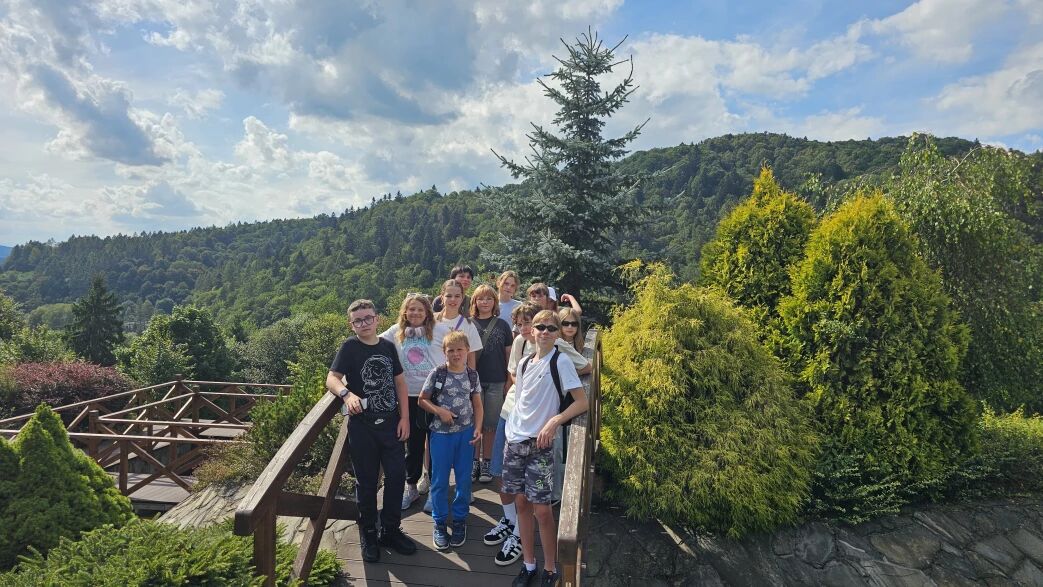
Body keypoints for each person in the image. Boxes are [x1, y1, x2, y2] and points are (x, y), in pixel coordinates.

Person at [485, 304, 589, 569]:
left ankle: (550, 568)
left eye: (551, 328)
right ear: (532, 330)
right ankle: (529, 563)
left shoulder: (560, 361)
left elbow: (582, 402)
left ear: (557, 334)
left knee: (542, 510)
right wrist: (511, 432)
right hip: (515, 439)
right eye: (540, 327)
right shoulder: (523, 363)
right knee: (521, 503)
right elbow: (521, 401)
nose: (545, 332)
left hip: (540, 444)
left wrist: (555, 421)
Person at [325, 299, 417, 563]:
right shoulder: (349, 347)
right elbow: (331, 378)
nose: (364, 323)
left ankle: (390, 530)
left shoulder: (387, 346)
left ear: (377, 319)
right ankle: (368, 533)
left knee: (396, 477)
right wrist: (346, 394)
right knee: (366, 482)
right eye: (358, 320)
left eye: (368, 318)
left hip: (391, 423)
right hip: (362, 426)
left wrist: (405, 418)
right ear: (351, 324)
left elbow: (400, 382)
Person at [418, 331, 484, 550]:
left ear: (467, 351)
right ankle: (439, 522)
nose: (456, 354)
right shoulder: (438, 373)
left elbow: (477, 404)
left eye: (460, 350)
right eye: (451, 350)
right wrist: (440, 411)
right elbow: (422, 400)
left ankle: (459, 520)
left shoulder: (472, 375)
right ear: (444, 352)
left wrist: (478, 428)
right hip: (441, 434)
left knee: (464, 480)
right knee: (439, 480)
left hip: (465, 434)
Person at [424, 278, 483, 512]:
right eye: (448, 295)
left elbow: (472, 357)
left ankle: (462, 490)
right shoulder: (431, 321)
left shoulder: (467, 323)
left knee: (461, 445)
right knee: (433, 439)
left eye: (457, 295)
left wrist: (470, 383)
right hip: (434, 385)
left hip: (459, 385)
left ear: (462, 298)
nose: (452, 299)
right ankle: (431, 484)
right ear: (442, 296)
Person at [380, 293, 442, 510]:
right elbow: (373, 343)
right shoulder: (395, 332)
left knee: (436, 445)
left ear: (427, 313)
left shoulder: (440, 330)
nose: (415, 313)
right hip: (408, 397)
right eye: (411, 309)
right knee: (412, 445)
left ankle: (434, 490)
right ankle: (412, 487)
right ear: (405, 312)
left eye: (420, 309)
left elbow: (459, 349)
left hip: (435, 396)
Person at [469, 284, 514, 484]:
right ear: (475, 302)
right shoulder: (468, 324)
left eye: (489, 298)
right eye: (481, 298)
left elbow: (509, 355)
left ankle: (486, 461)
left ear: (495, 302)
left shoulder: (502, 325)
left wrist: (508, 380)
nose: (485, 302)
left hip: (497, 381)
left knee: (491, 425)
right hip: (474, 382)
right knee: (474, 423)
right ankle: (473, 462)